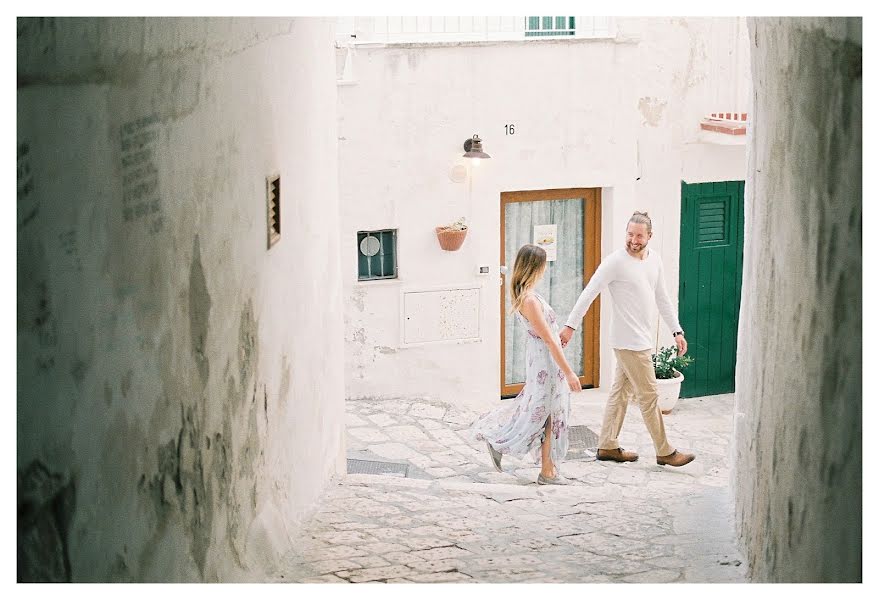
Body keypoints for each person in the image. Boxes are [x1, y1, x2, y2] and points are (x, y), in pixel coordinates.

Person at [560, 211, 695, 467]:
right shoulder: (615, 262)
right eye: (630, 234)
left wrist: (677, 331)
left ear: (649, 236)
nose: (633, 240)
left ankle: (607, 445)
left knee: (620, 392)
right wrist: (570, 326)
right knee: (649, 395)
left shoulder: (654, 261)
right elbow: (589, 292)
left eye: (639, 235)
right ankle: (664, 451)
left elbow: (662, 298)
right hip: (629, 341)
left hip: (640, 338)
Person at [471, 244, 582, 485]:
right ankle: (504, 443)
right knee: (545, 413)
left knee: (545, 414)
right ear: (535, 268)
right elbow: (550, 341)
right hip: (547, 364)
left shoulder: (529, 296)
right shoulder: (530, 300)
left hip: (543, 361)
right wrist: (570, 372)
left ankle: (547, 469)